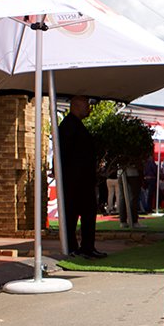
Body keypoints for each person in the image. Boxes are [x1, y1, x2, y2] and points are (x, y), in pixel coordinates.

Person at [58, 96, 106, 259]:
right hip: (74, 181)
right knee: (71, 214)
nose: (89, 109)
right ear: (76, 106)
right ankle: (72, 247)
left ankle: (87, 247)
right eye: (86, 105)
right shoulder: (68, 126)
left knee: (88, 213)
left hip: (84, 180)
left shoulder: (76, 125)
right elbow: (63, 153)